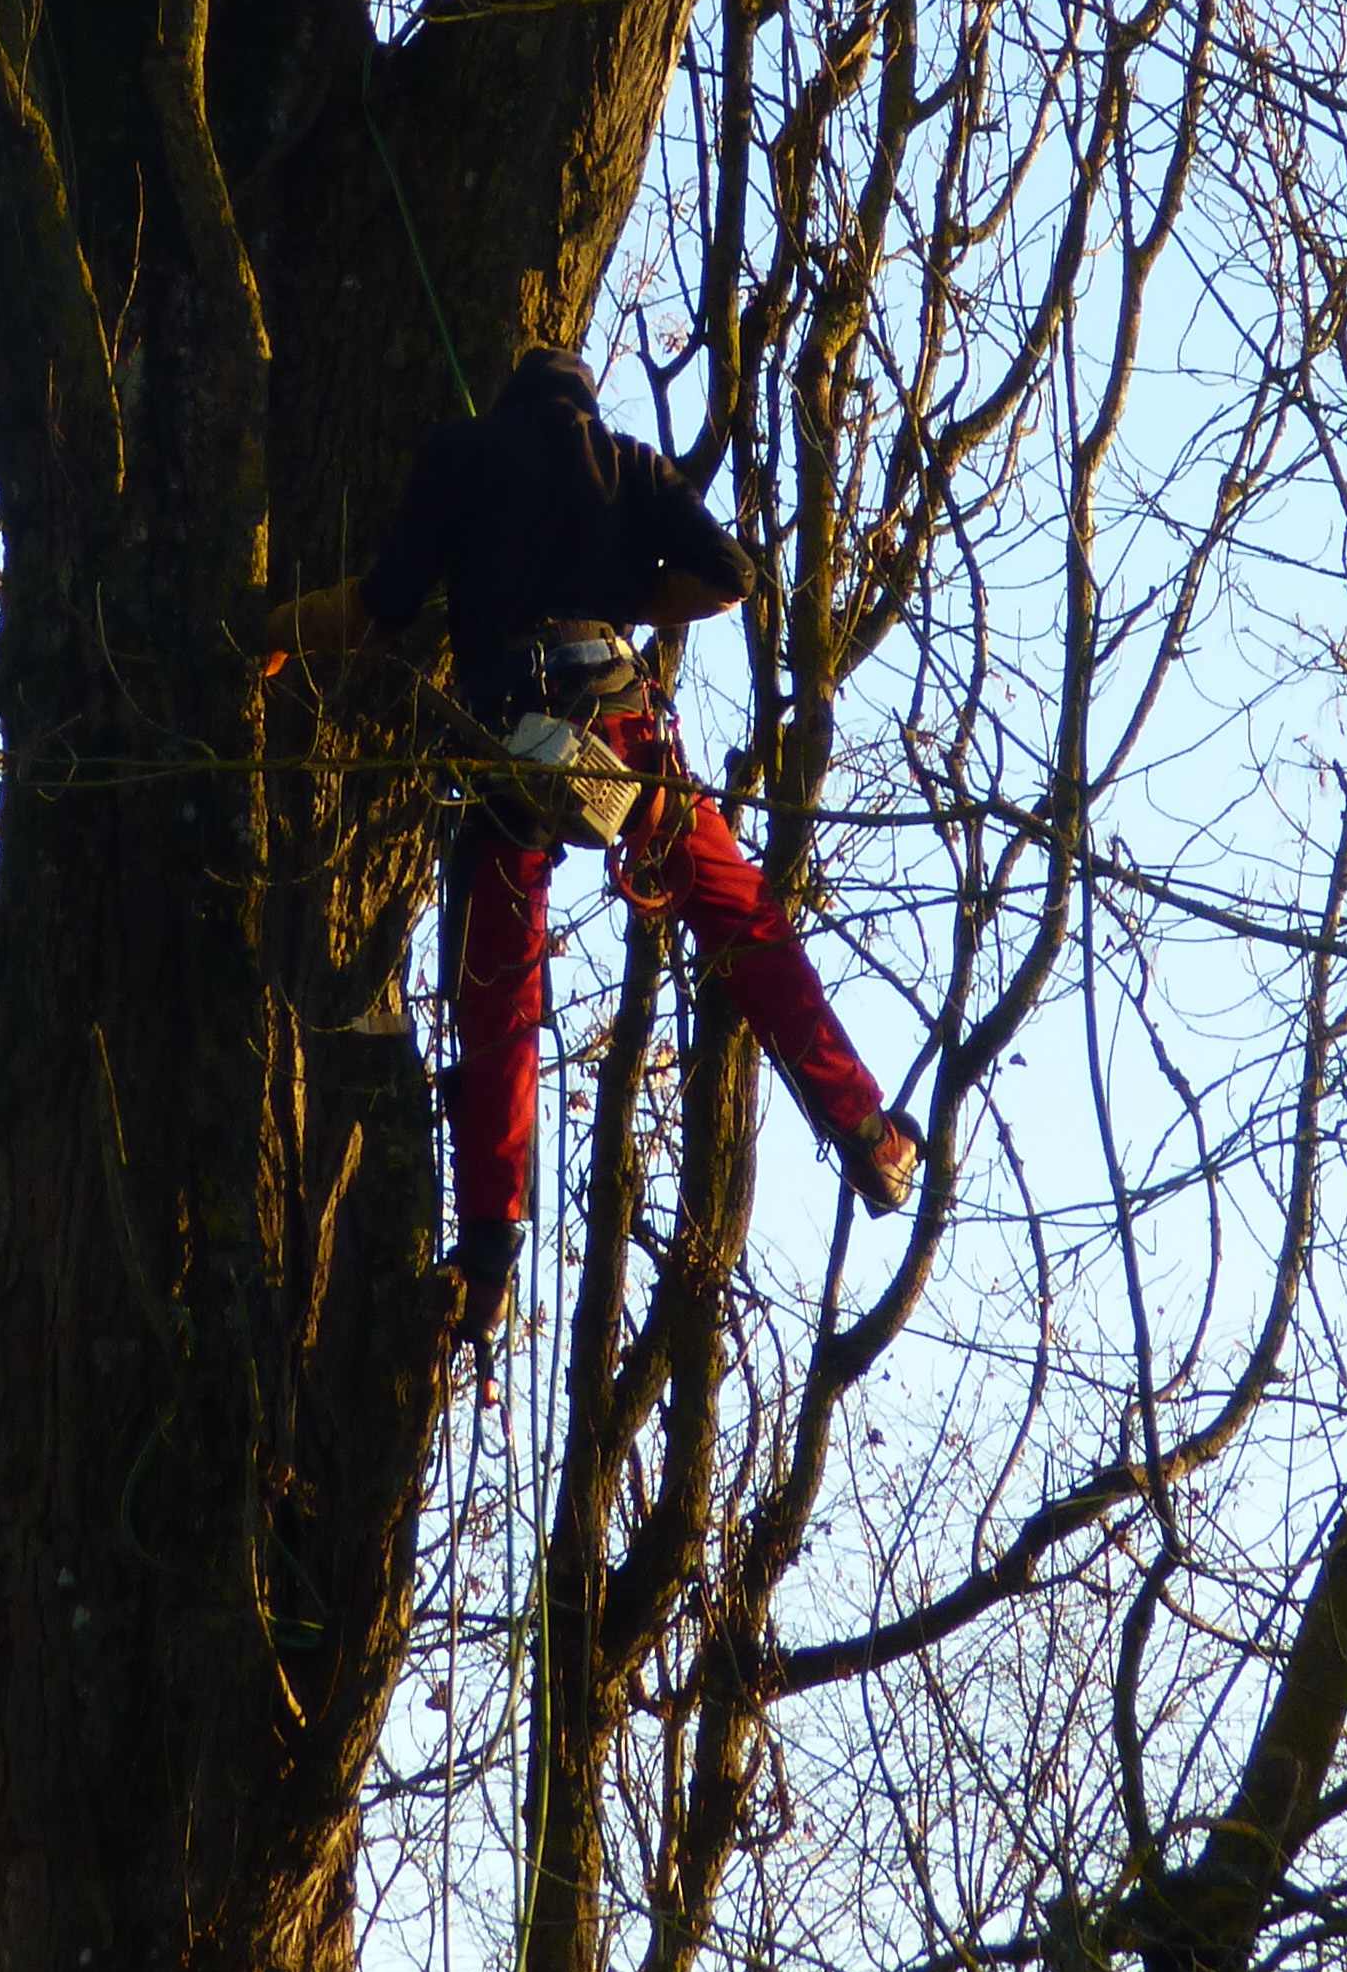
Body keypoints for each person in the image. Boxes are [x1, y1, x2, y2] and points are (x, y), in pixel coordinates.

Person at [281, 350, 919, 1366]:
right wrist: (623, 585)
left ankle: (487, 1260)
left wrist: (280, 634)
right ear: (580, 401)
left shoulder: (460, 454)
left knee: (496, 990)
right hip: (623, 731)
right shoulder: (629, 463)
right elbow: (730, 579)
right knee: (744, 921)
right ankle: (868, 1132)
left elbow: (382, 607)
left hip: (507, 737)